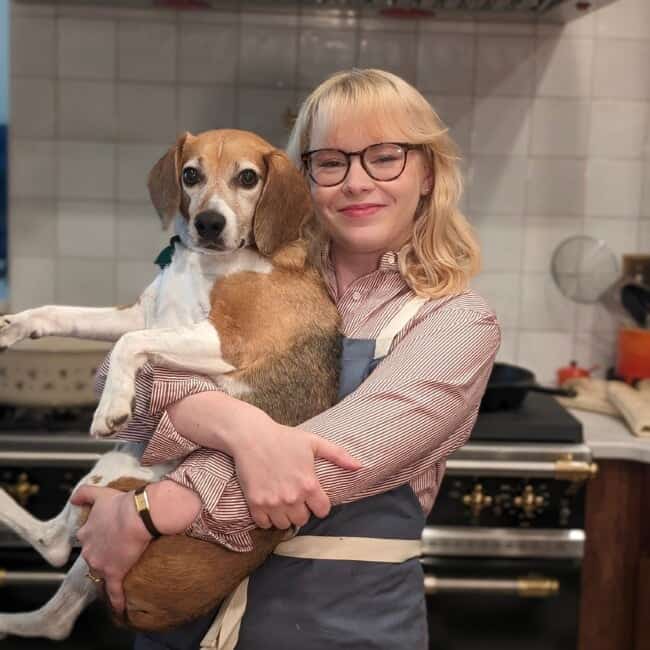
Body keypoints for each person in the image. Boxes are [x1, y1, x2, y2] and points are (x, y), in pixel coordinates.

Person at [72, 68, 500, 649]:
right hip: (188, 621)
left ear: (427, 172)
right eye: (330, 161)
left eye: (385, 157)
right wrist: (238, 425)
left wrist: (153, 508)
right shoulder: (244, 277)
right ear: (299, 181)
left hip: (340, 628)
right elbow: (112, 383)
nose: (355, 181)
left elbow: (332, 461)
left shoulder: (455, 321)